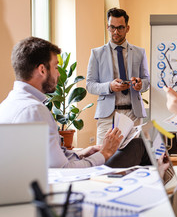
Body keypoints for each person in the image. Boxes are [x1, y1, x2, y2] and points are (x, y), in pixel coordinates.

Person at [0, 36, 150, 168]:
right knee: (140, 145)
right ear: (42, 70)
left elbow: (50, 157)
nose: (58, 73)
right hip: (72, 183)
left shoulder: (7, 104)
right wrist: (104, 153)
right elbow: (64, 170)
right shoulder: (34, 110)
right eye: (56, 67)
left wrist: (81, 153)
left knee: (137, 145)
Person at [86, 8, 149, 145]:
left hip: (133, 113)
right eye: (112, 27)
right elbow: (90, 85)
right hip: (108, 115)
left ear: (127, 28)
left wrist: (140, 84)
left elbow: (146, 80)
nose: (116, 32)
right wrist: (109, 86)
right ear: (108, 27)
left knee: (132, 156)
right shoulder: (97, 54)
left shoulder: (139, 52)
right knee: (103, 158)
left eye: (120, 27)